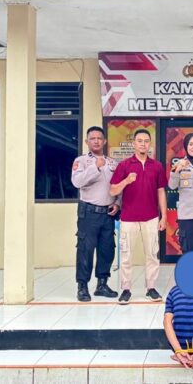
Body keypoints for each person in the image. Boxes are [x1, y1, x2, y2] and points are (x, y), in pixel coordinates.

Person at [109, 129, 167, 304]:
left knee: (152, 254)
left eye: (146, 141)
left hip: (151, 218)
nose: (143, 144)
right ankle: (126, 289)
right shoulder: (124, 165)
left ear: (150, 144)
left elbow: (161, 191)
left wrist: (164, 216)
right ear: (134, 143)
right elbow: (112, 190)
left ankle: (151, 288)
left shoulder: (156, 166)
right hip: (128, 218)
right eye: (139, 141)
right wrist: (126, 181)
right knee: (126, 256)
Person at [71, 126, 121, 302]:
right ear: (87, 141)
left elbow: (118, 187)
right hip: (89, 212)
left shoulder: (113, 163)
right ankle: (82, 286)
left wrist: (117, 203)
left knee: (107, 249)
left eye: (99, 138)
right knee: (85, 249)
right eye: (93, 138)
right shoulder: (82, 161)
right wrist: (95, 167)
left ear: (104, 141)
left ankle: (102, 284)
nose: (96, 141)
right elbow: (77, 182)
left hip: (108, 213)